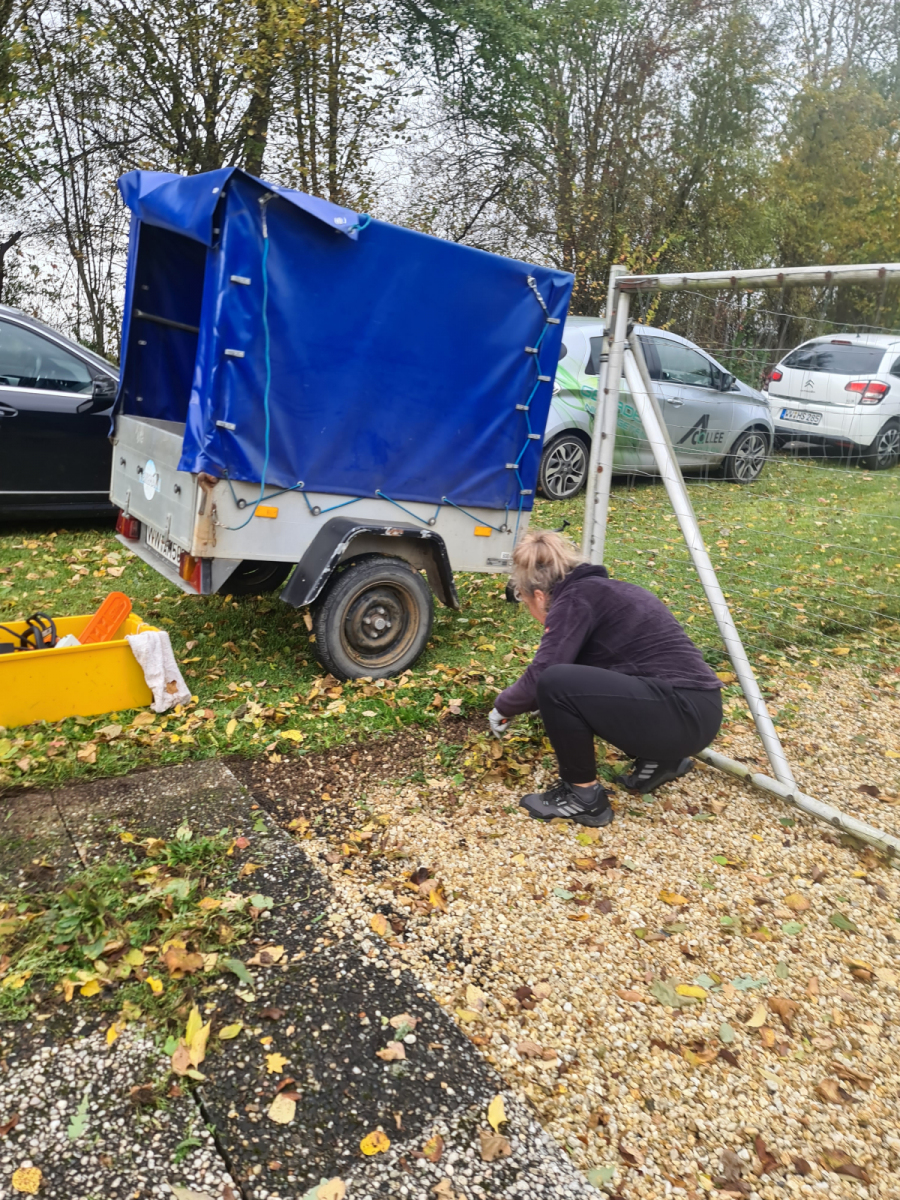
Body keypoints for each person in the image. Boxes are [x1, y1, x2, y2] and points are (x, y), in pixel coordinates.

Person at [489, 530, 723, 827]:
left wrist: (503, 706)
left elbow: (544, 675)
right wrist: (542, 704)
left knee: (553, 681)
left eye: (526, 603)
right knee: (559, 684)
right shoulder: (603, 591)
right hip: (700, 711)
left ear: (538, 595)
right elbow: (596, 680)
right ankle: (664, 759)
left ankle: (583, 797)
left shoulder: (573, 601)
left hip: (680, 716)